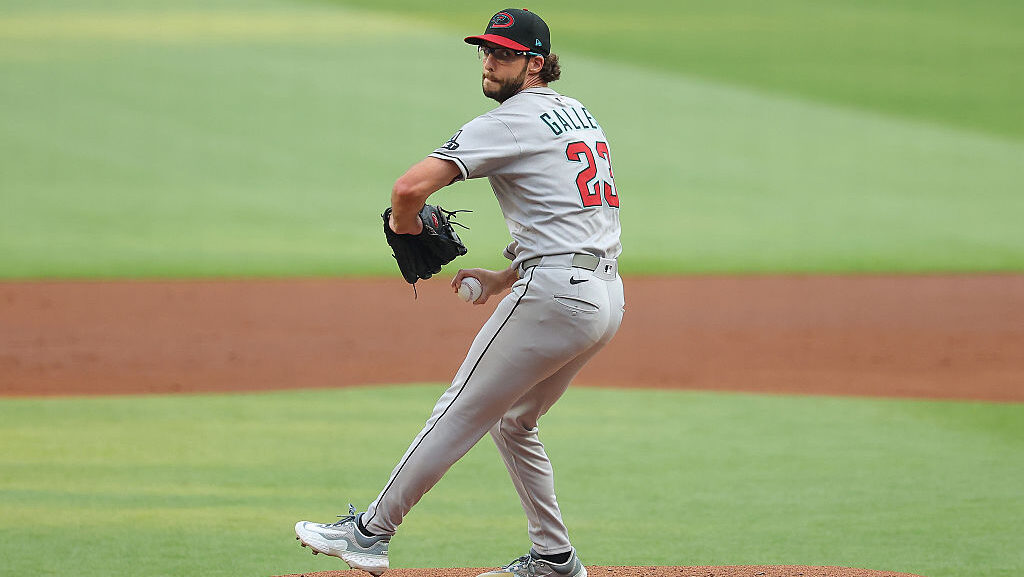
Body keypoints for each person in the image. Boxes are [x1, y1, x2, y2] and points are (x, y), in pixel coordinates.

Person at [294, 9, 624, 577]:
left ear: (535, 63)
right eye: (486, 50)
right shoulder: (577, 114)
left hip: (555, 294)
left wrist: (405, 227)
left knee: (459, 408)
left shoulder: (508, 121)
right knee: (513, 420)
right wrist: (505, 276)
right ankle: (554, 558)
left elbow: (408, 188)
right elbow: (573, 220)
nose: (490, 62)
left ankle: (370, 533)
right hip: (604, 296)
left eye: (504, 54)